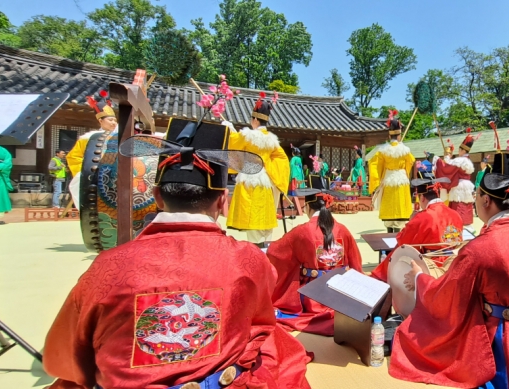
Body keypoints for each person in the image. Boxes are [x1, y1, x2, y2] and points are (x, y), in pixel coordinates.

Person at [43, 122, 311, 389]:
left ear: (157, 196)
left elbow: (62, 358)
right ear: (222, 200)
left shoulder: (107, 267)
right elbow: (262, 324)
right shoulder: (250, 260)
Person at [389, 151, 509, 388]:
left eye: (476, 196)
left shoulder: (481, 248)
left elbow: (447, 295)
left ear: (486, 201)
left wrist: (420, 277)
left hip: (504, 340)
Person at [268, 188, 362, 336]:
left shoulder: (302, 231)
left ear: (308, 207)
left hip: (313, 297)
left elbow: (276, 252)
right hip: (341, 296)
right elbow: (356, 263)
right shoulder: (343, 230)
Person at [225, 92, 289, 246]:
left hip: (250, 181)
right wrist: (271, 171)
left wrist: (229, 129)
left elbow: (233, 145)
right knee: (265, 225)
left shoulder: (247, 136)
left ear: (254, 119)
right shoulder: (272, 141)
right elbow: (283, 160)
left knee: (253, 225)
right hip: (266, 184)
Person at [370, 177, 463, 282]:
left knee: (397, 251)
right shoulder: (456, 214)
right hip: (453, 262)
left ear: (422, 198)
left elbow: (402, 240)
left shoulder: (423, 216)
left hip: (432, 265)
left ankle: (381, 277)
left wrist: (411, 221)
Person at [66, 93, 118, 208]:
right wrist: (87, 172)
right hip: (95, 176)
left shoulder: (119, 137)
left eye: (115, 120)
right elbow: (73, 157)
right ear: (100, 121)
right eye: (110, 120)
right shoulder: (88, 138)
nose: (114, 123)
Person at [369, 110, 415, 233]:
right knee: (400, 206)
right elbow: (411, 161)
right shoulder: (405, 149)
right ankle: (399, 232)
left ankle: (389, 231)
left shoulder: (383, 150)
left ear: (389, 136)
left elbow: (373, 163)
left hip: (389, 178)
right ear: (399, 135)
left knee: (389, 205)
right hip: (401, 179)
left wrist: (377, 180)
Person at [434, 128, 477, 226]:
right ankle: (466, 222)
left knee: (458, 205)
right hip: (467, 185)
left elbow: (448, 168)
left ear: (462, 150)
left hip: (459, 185)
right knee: (466, 205)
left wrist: (439, 161)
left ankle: (457, 222)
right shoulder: (468, 161)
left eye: (459, 149)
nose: (458, 151)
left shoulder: (460, 160)